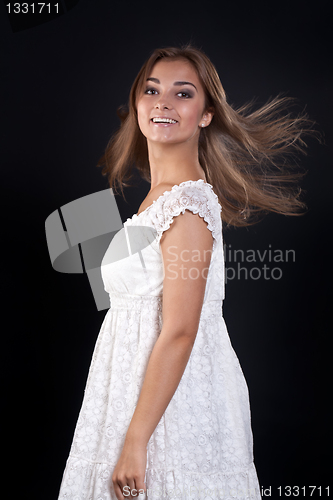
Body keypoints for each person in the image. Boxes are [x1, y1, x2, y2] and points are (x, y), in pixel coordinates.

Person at [57, 44, 317, 500]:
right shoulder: (158, 198)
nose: (162, 102)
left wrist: (136, 441)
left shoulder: (188, 207)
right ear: (137, 102)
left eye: (183, 94)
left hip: (168, 411)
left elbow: (180, 329)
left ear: (206, 115)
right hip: (129, 391)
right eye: (152, 89)